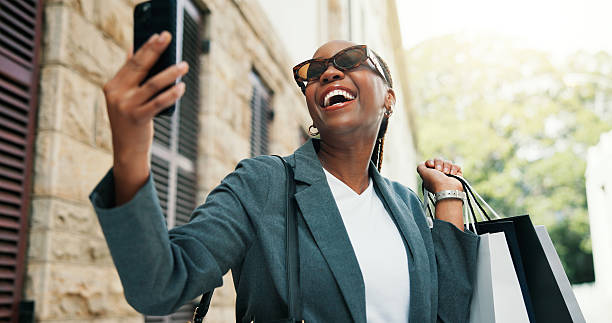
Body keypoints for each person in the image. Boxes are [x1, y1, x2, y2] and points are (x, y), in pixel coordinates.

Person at [90, 31, 479, 322]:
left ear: (389, 98)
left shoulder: (406, 205)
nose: (328, 73)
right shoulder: (263, 184)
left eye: (350, 59)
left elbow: (448, 311)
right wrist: (130, 151)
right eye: (313, 72)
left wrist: (447, 196)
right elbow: (159, 285)